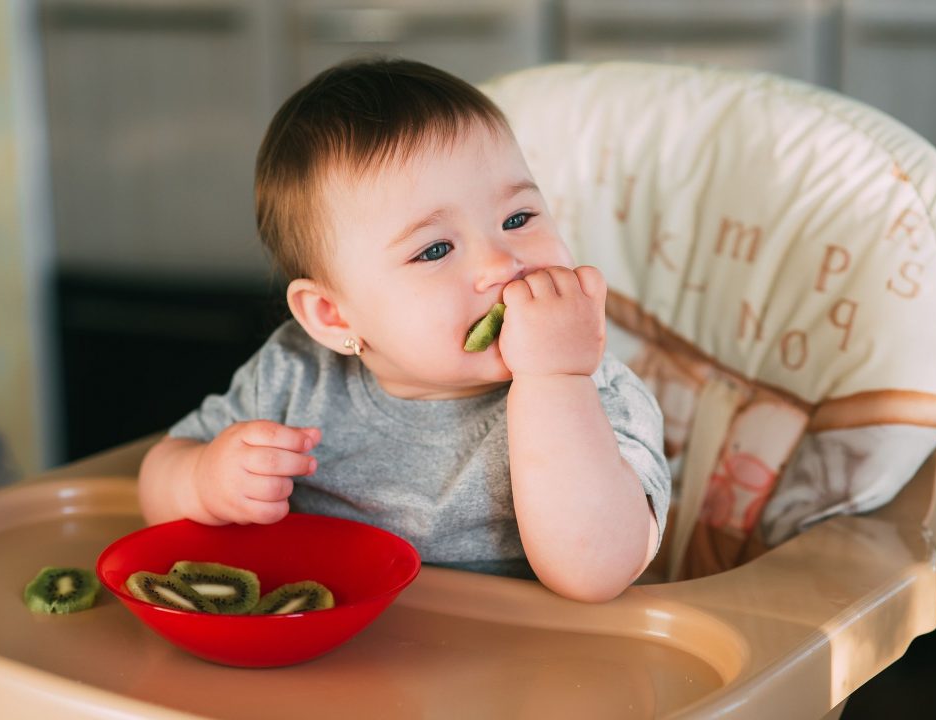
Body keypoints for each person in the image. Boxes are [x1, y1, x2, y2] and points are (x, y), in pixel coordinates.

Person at [137, 58, 670, 602]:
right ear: (333, 316)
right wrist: (205, 481)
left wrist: (554, 379)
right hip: (343, 647)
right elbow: (158, 475)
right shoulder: (293, 376)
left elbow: (596, 572)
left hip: (528, 653)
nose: (500, 263)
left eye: (518, 218)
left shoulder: (592, 393)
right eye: (435, 249)